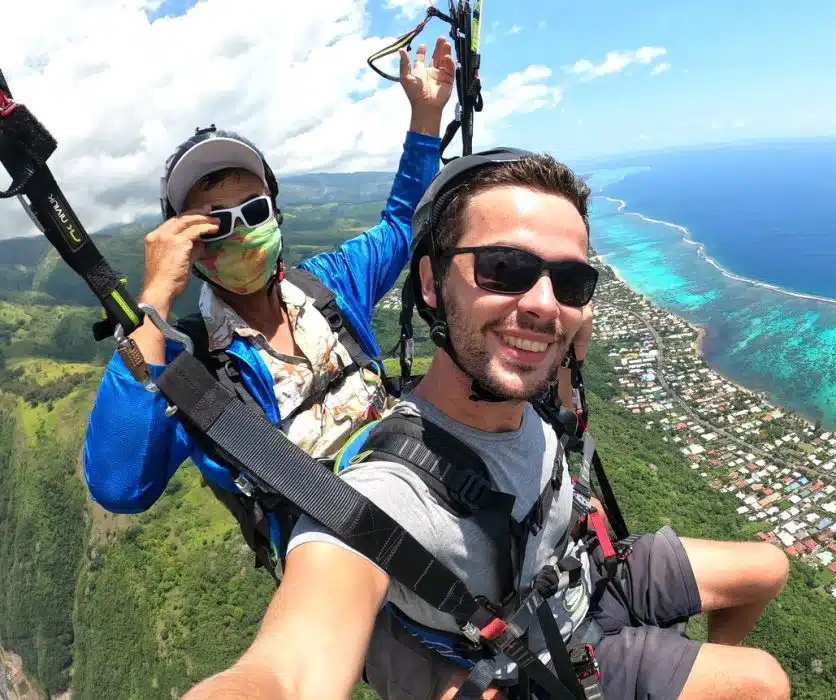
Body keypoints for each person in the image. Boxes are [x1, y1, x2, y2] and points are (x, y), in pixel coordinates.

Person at [179, 149, 792, 700]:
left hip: (585, 569)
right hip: (543, 648)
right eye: (503, 268)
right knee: (761, 683)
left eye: (571, 281)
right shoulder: (388, 495)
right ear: (430, 283)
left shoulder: (542, 376)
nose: (544, 304)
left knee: (769, 568)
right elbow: (290, 669)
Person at [81, 39, 457, 574]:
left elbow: (401, 225)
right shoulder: (193, 370)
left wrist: (425, 116)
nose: (240, 231)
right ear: (186, 242)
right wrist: (155, 296)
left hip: (426, 491)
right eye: (214, 222)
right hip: (345, 573)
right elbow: (120, 485)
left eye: (253, 209)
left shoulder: (328, 285)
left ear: (276, 215)